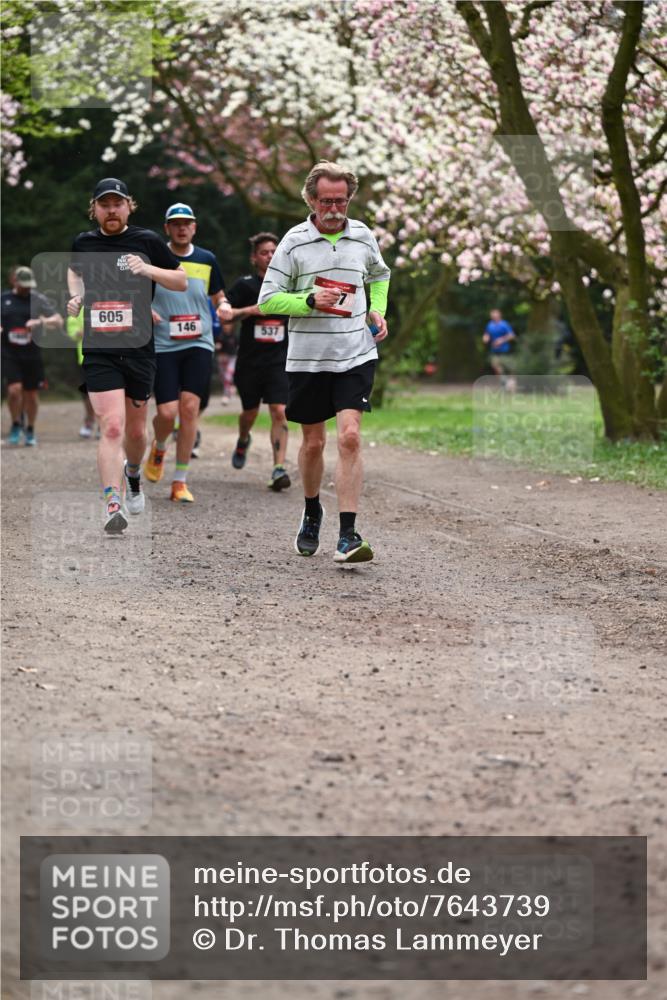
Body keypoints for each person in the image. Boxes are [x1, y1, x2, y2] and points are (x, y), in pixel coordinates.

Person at [258, 161, 390, 562]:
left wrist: (377, 310)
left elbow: (379, 275)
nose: (335, 208)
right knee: (313, 442)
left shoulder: (363, 235)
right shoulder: (293, 242)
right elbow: (268, 300)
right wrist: (309, 300)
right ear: (311, 200)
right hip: (308, 358)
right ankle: (312, 508)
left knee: (349, 436)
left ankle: (348, 534)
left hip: (355, 352)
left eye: (342, 200)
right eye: (327, 201)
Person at [67, 178, 186, 533]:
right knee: (112, 426)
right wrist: (77, 297)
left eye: (117, 203)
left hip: (139, 350)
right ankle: (111, 502)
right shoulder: (83, 243)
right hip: (100, 348)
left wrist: (147, 269)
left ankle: (133, 474)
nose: (112, 209)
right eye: (104, 204)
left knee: (136, 434)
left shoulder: (147, 241)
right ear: (95, 209)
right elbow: (75, 273)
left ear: (128, 207)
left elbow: (180, 281)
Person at [143, 202, 231, 503]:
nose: (182, 228)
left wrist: (223, 306)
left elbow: (218, 295)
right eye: (175, 223)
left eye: (187, 223)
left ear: (194, 227)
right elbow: (137, 293)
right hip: (163, 343)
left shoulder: (207, 259)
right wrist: (146, 310)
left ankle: (179, 481)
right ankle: (158, 445)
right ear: (167, 228)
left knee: (190, 408)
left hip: (199, 342)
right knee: (166, 413)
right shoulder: (154, 258)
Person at [226, 232, 291, 491]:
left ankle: (278, 468)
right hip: (250, 362)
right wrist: (249, 311)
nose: (270, 256)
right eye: (264, 252)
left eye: (274, 252)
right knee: (250, 412)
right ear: (254, 258)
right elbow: (225, 315)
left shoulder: (288, 285)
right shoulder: (244, 286)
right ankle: (243, 438)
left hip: (279, 361)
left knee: (279, 410)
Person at [1, 266, 63, 446]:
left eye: (30, 285)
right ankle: (15, 425)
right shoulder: (3, 299)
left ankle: (30, 429)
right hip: (9, 352)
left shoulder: (38, 299)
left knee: (31, 393)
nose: (27, 289)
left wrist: (40, 321)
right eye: (24, 285)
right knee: (14, 390)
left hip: (32, 353)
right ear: (14, 281)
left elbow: (58, 320)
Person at [66, 308, 98, 438]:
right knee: (88, 394)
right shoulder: (77, 310)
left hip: (109, 358)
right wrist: (85, 331)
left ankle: (104, 425)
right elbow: (73, 334)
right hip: (85, 359)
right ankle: (89, 421)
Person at [483, 309, 516, 388]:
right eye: (492, 315)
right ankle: (504, 383)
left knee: (508, 368)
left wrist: (501, 340)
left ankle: (512, 384)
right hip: (494, 350)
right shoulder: (490, 325)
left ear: (499, 315)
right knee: (495, 366)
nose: (493, 316)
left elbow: (512, 335)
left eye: (495, 315)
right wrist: (485, 338)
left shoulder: (504, 324)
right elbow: (487, 333)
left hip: (505, 350)